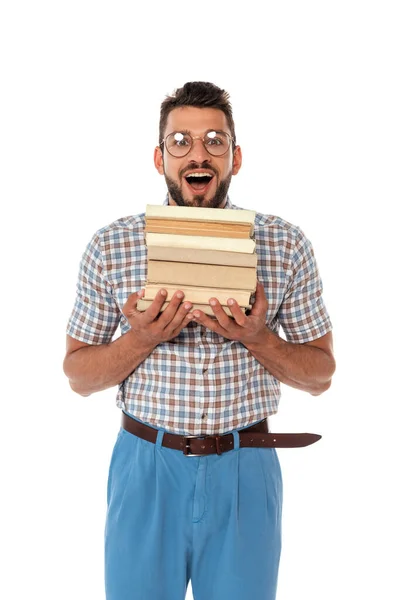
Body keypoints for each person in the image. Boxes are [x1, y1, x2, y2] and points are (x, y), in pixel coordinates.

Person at [63, 81, 335, 600]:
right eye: (180, 141)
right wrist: (140, 339)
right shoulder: (111, 244)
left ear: (234, 157)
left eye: (214, 139)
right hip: (145, 467)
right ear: (159, 156)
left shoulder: (285, 243)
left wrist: (259, 338)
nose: (198, 152)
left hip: (246, 468)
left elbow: (321, 376)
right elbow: (78, 377)